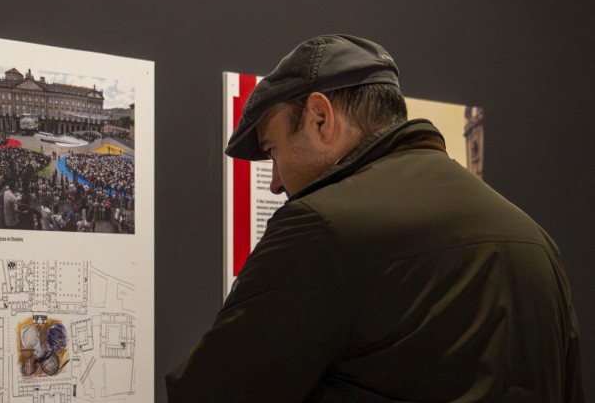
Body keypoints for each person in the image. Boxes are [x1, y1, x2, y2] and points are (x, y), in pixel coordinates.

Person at [166, 35, 583, 402]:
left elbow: (210, 393)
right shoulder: (534, 240)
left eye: (273, 151)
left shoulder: (320, 226)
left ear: (319, 118)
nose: (275, 182)